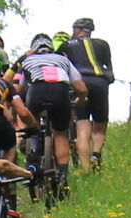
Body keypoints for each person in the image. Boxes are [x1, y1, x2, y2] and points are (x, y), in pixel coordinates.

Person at [13, 33, 88, 192]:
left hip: (37, 91)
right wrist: (81, 99)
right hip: (60, 92)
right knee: (60, 134)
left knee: (31, 125)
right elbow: (81, 88)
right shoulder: (63, 60)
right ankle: (63, 176)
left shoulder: (27, 61)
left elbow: (18, 89)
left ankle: (32, 148)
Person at [59, 17, 115, 171]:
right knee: (100, 125)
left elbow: (61, 66)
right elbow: (109, 69)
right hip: (100, 82)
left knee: (82, 126)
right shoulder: (103, 44)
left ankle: (86, 169)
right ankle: (96, 153)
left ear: (77, 30)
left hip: (79, 81)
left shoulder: (67, 45)